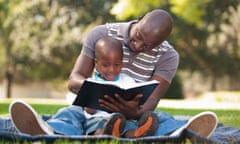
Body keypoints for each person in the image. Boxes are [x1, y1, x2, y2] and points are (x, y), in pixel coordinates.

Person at [2, 9, 217, 138]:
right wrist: (96, 88)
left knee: (159, 118)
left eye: (148, 46)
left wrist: (131, 110)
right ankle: (48, 132)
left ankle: (183, 134)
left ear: (161, 44)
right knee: (70, 114)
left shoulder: (168, 55)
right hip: (91, 108)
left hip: (131, 114)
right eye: (138, 36)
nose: (138, 45)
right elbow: (73, 80)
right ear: (139, 18)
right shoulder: (101, 34)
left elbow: (151, 101)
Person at [10, 37, 159, 138]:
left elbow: (135, 98)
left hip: (123, 118)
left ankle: (138, 133)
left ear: (122, 64)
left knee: (128, 124)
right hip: (98, 118)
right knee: (94, 123)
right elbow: (88, 112)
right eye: (106, 65)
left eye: (117, 65)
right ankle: (51, 130)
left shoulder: (128, 81)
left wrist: (134, 102)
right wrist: (91, 103)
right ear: (96, 63)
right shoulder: (91, 83)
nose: (111, 70)